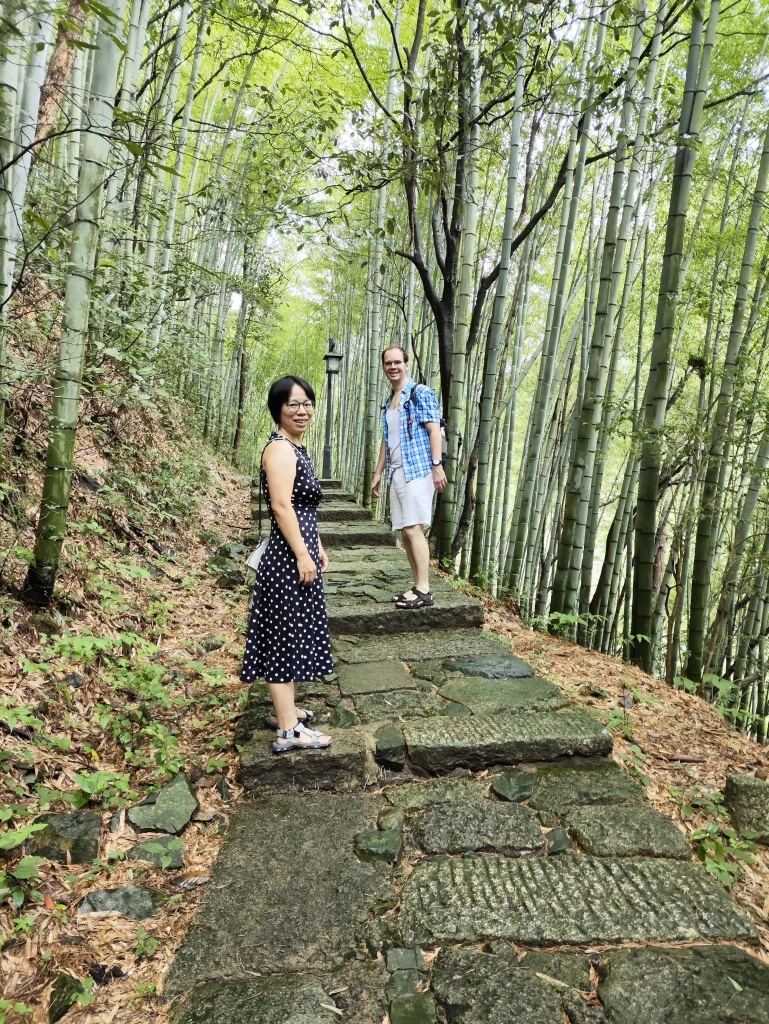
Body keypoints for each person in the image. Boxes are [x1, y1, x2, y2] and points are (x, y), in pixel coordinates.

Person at [241, 375, 334, 753]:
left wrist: (318, 545)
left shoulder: (296, 448)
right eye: (293, 404)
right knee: (282, 637)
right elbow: (281, 506)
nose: (302, 410)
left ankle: (287, 711)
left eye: (307, 403)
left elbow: (302, 507)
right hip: (285, 559)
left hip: (298, 551)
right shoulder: (280, 450)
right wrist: (301, 552)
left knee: (291, 634)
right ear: (278, 408)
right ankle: (288, 730)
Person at [372, 346, 447, 608]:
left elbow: (434, 430)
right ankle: (417, 586)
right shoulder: (389, 401)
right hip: (398, 471)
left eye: (397, 362)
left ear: (406, 364)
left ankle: (425, 590)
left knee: (415, 528)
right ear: (383, 367)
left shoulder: (420, 393)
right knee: (405, 530)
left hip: (418, 469)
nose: (392, 367)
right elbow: (387, 439)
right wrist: (378, 472)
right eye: (387, 363)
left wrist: (437, 466)